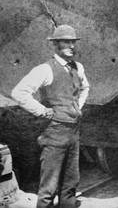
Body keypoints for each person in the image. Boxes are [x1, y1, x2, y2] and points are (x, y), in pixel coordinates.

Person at [11, 25, 90, 208]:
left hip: (73, 132)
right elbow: (19, 92)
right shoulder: (45, 69)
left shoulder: (78, 67)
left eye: (73, 42)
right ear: (55, 46)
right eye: (66, 42)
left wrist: (77, 106)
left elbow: (85, 88)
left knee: (71, 183)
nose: (71, 46)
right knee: (49, 187)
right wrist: (42, 110)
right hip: (54, 133)